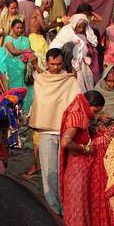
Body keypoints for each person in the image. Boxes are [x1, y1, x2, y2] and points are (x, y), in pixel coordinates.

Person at [59, 90, 114, 226]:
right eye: (95, 111)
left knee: (81, 209)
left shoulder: (79, 111)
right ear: (88, 106)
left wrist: (96, 121)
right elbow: (66, 142)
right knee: (78, 211)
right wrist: (86, 149)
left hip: (79, 168)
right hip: (78, 169)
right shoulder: (77, 116)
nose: (96, 114)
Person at [30, 47, 82, 214]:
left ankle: (66, 206)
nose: (55, 67)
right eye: (52, 64)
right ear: (47, 62)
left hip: (66, 132)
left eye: (59, 64)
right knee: (49, 172)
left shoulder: (70, 81)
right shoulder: (40, 79)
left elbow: (76, 104)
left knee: (65, 171)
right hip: (46, 132)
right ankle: (54, 209)